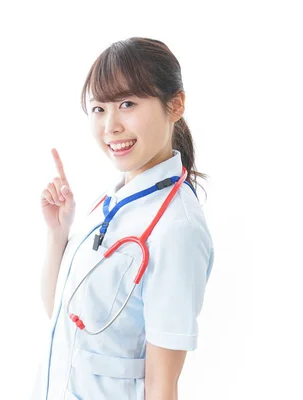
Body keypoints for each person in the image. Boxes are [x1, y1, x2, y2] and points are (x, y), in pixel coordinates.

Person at [31, 37, 215, 400]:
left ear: (175, 104)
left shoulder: (177, 229)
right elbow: (61, 315)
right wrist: (58, 234)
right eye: (99, 108)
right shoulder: (113, 202)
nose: (110, 126)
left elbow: (162, 385)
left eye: (127, 104)